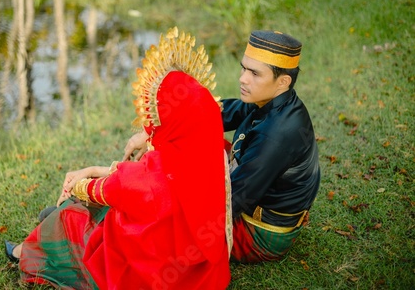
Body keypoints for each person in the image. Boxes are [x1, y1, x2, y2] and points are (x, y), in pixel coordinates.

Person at [4, 27, 232, 289]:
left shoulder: (154, 174)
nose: (153, 124)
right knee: (79, 211)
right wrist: (96, 168)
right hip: (200, 271)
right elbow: (136, 175)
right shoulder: (211, 152)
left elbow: (113, 187)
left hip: (149, 273)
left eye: (158, 115)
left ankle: (23, 253)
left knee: (70, 217)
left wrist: (78, 184)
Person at [124, 30, 321, 264]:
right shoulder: (271, 101)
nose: (243, 78)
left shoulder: (277, 135)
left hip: (258, 233)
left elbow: (232, 204)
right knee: (193, 144)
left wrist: (171, 194)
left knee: (158, 223)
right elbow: (211, 113)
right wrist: (153, 132)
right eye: (244, 68)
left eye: (255, 73)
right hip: (250, 199)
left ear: (283, 81)